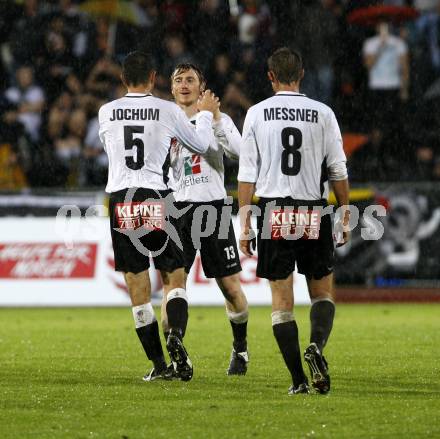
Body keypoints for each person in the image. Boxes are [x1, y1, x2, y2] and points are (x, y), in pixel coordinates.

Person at [98, 51, 219, 382]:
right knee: (174, 277)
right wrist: (206, 115)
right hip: (157, 196)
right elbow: (201, 144)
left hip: (122, 200)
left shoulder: (106, 111)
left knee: (138, 287)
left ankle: (159, 364)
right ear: (153, 77)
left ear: (123, 79)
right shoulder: (167, 110)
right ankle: (175, 333)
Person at [237, 47, 350, 395]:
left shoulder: (256, 113)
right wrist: (344, 214)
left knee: (281, 303)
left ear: (270, 77)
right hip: (313, 208)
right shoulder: (323, 113)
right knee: (321, 294)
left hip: (274, 210)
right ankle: (316, 346)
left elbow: (246, 174)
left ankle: (298, 380)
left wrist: (244, 221)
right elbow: (337, 169)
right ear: (301, 75)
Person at [162, 63, 250, 375]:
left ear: (202, 88)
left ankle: (240, 348)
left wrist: (213, 119)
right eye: (178, 80)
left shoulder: (218, 119)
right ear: (172, 89)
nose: (184, 84)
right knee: (173, 283)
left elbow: (241, 153)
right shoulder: (165, 123)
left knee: (229, 287)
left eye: (190, 80)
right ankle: (177, 353)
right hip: (177, 211)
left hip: (213, 209)